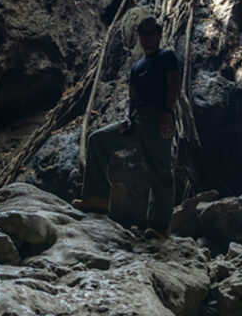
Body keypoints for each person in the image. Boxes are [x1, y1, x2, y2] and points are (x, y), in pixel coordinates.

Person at [73, 16, 181, 236]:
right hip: (136, 120)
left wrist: (168, 113)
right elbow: (131, 98)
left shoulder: (167, 56)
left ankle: (159, 227)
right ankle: (97, 198)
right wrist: (126, 118)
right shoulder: (137, 67)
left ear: (159, 35)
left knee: (160, 171)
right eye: (143, 33)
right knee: (97, 139)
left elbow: (174, 85)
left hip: (157, 118)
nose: (146, 37)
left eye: (150, 33)